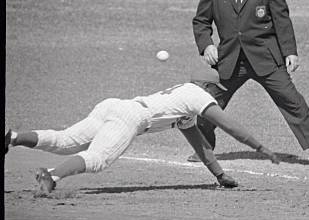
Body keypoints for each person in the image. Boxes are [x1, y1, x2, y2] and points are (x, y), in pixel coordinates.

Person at [4, 70, 280, 194]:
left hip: (114, 106)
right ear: (209, 89)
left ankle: (13, 138)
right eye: (217, 94)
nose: (218, 99)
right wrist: (261, 148)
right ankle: (52, 177)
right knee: (99, 159)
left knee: (64, 141)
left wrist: (219, 175)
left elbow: (200, 145)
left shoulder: (184, 105)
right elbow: (229, 125)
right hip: (131, 117)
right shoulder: (196, 95)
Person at [190, 0, 309, 167]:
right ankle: (204, 148)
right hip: (230, 59)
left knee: (292, 100)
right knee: (209, 103)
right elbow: (201, 21)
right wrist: (207, 45)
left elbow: (282, 21)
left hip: (266, 58)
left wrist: (290, 52)